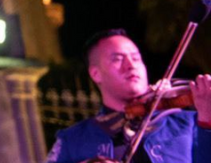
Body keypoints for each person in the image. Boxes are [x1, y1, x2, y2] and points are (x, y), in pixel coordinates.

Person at [46, 29, 211, 163]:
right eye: (117, 59)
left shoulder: (189, 122)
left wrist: (207, 121)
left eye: (136, 58)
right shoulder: (73, 139)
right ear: (96, 74)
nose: (131, 65)